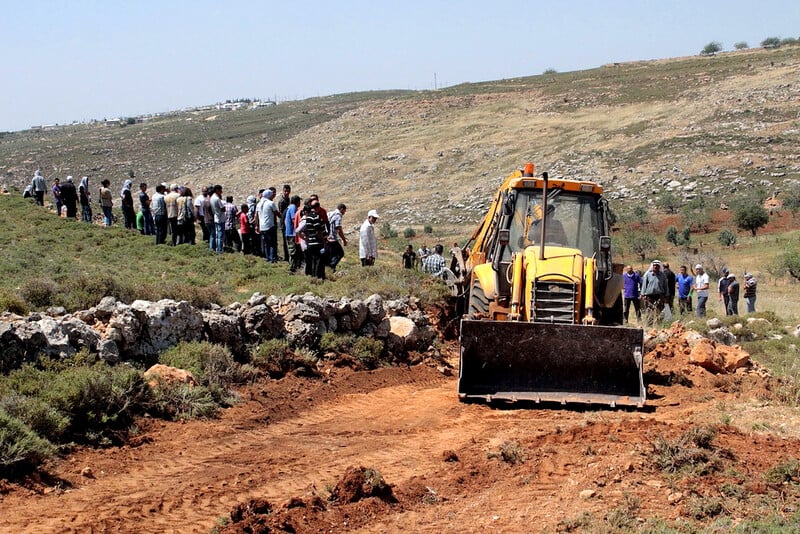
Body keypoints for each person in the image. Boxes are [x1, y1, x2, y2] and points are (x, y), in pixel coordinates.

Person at [301, 199, 328, 279]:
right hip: (317, 243)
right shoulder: (315, 216)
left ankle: (313, 277)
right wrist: (324, 242)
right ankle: (319, 277)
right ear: (318, 207)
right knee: (319, 261)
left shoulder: (308, 217)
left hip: (310, 242)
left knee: (313, 261)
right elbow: (318, 231)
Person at [255, 189, 280, 262]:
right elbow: (277, 214)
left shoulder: (259, 204)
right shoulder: (270, 203)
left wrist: (256, 226)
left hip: (262, 227)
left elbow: (256, 216)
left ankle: (268, 258)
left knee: (266, 244)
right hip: (269, 226)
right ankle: (272, 259)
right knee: (272, 243)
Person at [285, 195, 302, 272]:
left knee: (295, 250)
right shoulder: (293, 208)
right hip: (291, 233)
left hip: (290, 232)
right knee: (293, 251)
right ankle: (292, 267)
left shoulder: (290, 207)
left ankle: (295, 266)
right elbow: (293, 219)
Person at [327, 203, 347, 271]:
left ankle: (331, 268)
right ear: (342, 209)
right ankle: (331, 267)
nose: (344, 213)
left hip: (327, 237)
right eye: (344, 211)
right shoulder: (338, 215)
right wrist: (344, 239)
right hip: (333, 238)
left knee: (332, 254)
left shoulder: (330, 213)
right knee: (340, 253)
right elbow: (338, 228)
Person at [209, 184, 225, 254]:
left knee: (217, 234)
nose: (221, 192)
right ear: (217, 190)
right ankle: (219, 250)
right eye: (220, 190)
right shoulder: (217, 199)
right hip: (220, 218)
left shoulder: (212, 198)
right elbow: (223, 209)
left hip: (216, 217)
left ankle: (215, 248)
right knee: (220, 236)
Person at [278, 184, 292, 263]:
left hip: (289, 222)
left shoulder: (288, 200)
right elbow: (281, 213)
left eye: (288, 191)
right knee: (285, 240)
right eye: (285, 191)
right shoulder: (281, 201)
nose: (286, 193)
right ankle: (286, 257)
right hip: (284, 223)